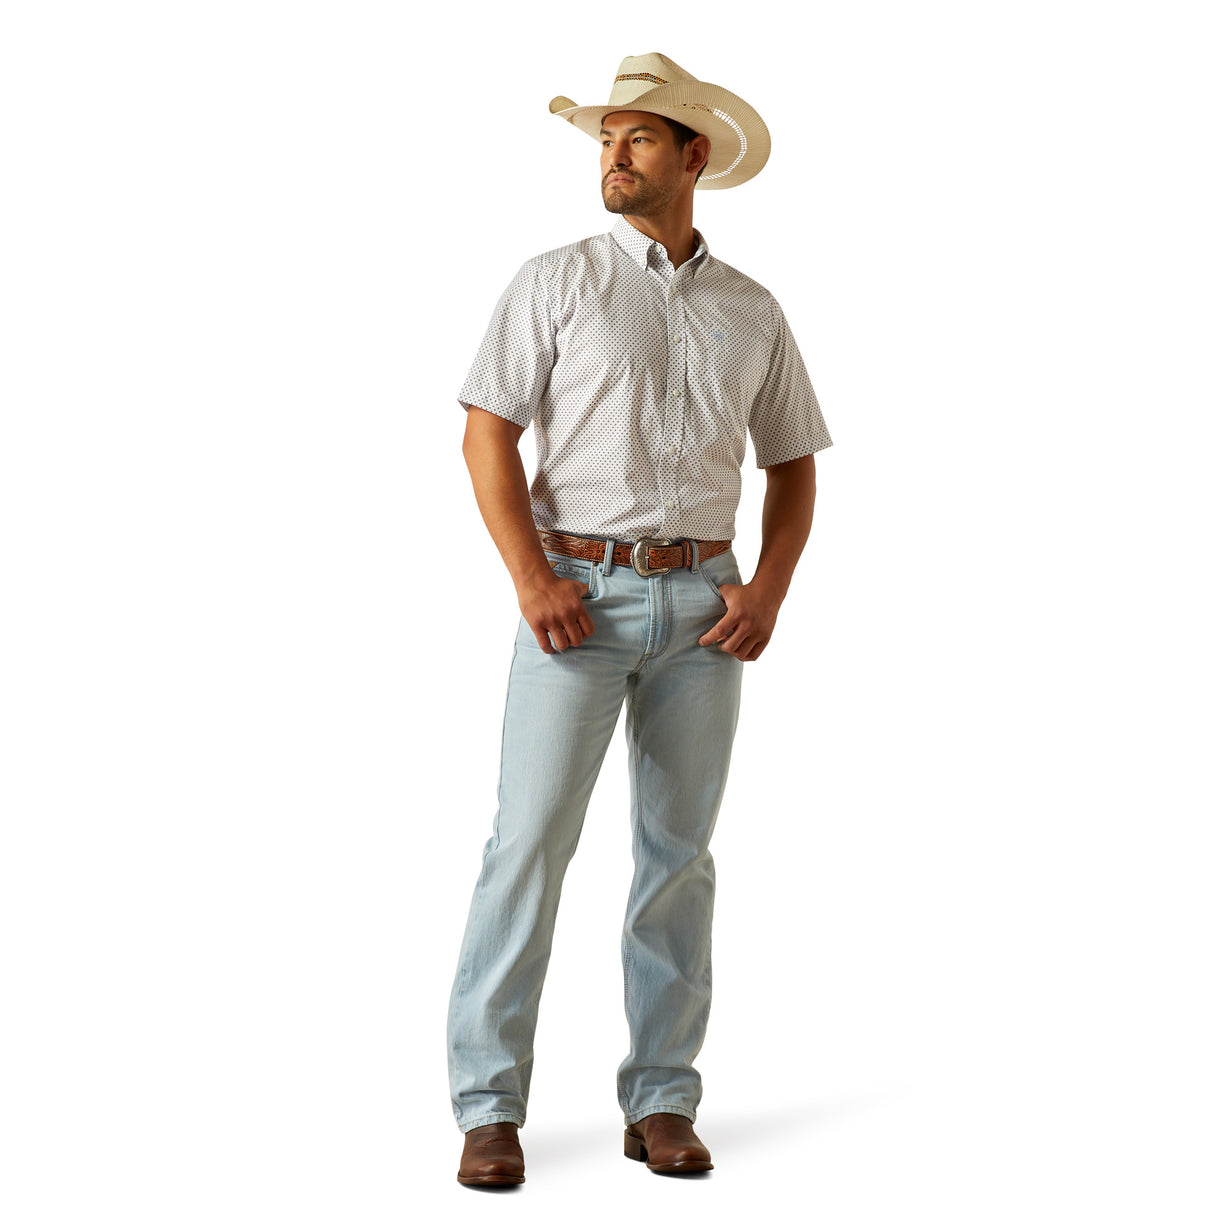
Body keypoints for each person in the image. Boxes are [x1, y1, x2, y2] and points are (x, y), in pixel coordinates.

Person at [447, 51, 833, 1186]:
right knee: (527, 848)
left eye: (639, 138)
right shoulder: (555, 281)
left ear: (692, 156)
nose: (612, 157)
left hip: (705, 612)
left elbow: (795, 461)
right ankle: (488, 1107)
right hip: (577, 599)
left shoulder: (750, 309)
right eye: (606, 139)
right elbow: (485, 432)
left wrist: (767, 588)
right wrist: (530, 579)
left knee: (678, 858)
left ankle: (663, 1099)